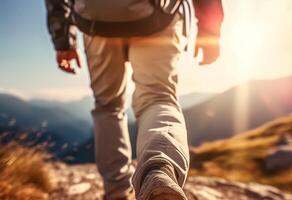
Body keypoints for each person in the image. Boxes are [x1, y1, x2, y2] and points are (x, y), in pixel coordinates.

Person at [44, 0, 223, 199]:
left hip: (95, 18)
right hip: (158, 16)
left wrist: (62, 39)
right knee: (158, 97)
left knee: (108, 106)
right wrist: (210, 30)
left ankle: (117, 192)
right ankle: (159, 171)